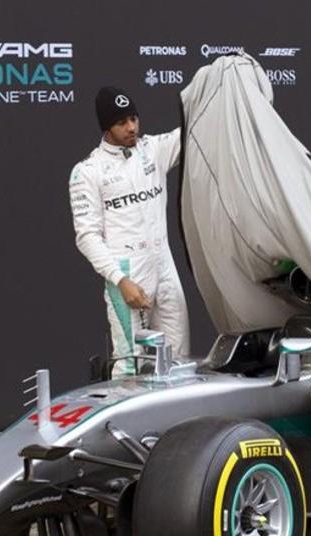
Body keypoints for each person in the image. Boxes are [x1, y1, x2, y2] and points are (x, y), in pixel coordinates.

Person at [69, 86, 188, 377]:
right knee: (129, 365)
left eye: (134, 118)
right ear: (106, 126)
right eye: (122, 122)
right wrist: (121, 280)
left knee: (178, 358)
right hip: (126, 273)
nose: (132, 127)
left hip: (164, 265)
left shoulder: (154, 149)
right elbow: (87, 236)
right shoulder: (87, 171)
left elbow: (195, 131)